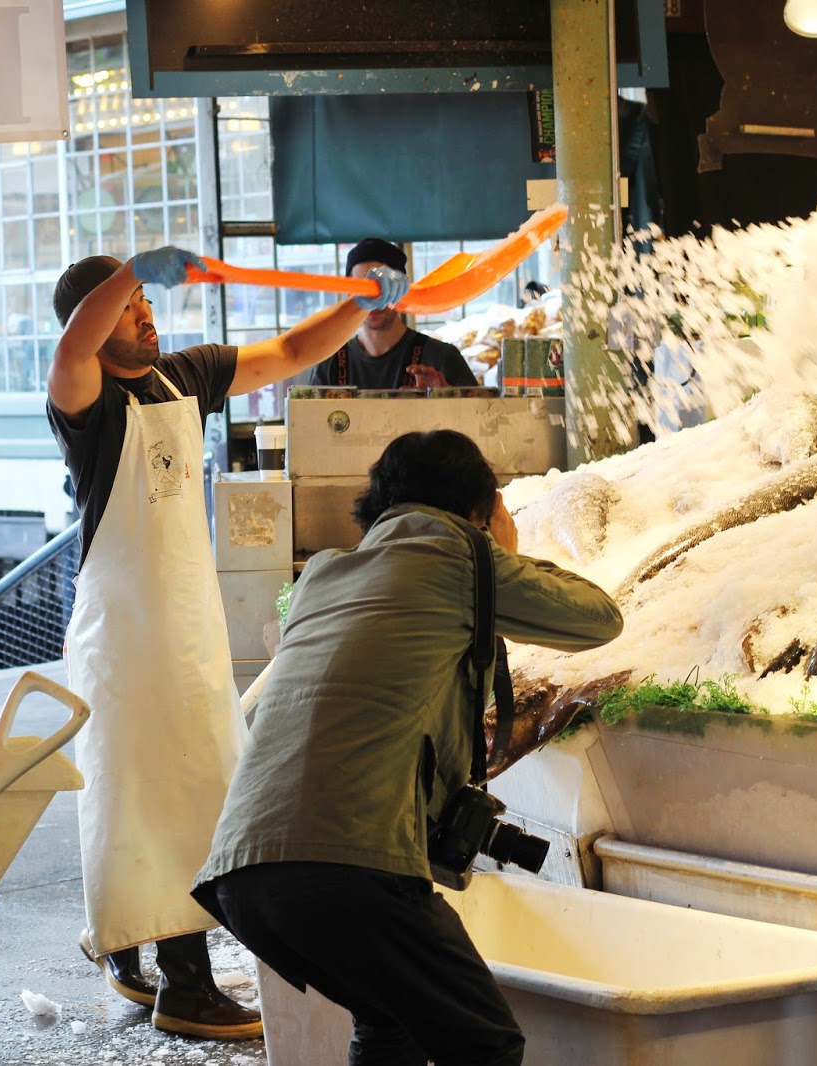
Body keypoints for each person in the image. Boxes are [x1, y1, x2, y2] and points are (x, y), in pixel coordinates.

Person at [47, 245, 410, 1040]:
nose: (145, 315)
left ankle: (123, 949)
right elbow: (72, 349)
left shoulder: (185, 375)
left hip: (185, 623)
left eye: (146, 303)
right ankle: (185, 987)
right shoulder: (85, 399)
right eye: (129, 308)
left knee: (173, 794)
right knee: (147, 797)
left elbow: (290, 351)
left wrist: (361, 303)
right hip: (124, 635)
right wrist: (130, 271)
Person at [191, 429, 624, 1066]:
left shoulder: (322, 574)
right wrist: (497, 551)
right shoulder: (460, 560)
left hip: (243, 873)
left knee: (388, 1018)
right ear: (479, 508)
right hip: (349, 865)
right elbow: (599, 617)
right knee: (485, 1042)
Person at [309, 238, 477, 389]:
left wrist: (447, 398)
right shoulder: (330, 363)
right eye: (361, 288)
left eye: (382, 287)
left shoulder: (440, 358)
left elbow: (480, 411)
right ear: (348, 294)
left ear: (402, 290)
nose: (374, 300)